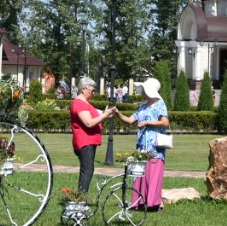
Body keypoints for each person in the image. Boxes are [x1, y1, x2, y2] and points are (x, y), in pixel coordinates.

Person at [116, 77, 169, 211]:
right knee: (140, 173)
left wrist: (147, 123)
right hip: (142, 146)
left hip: (154, 146)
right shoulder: (142, 107)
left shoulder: (160, 105)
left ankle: (154, 202)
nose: (142, 92)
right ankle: (139, 201)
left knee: (153, 174)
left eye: (144, 90)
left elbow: (165, 122)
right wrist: (117, 113)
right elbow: (129, 120)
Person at [70, 77, 117, 194]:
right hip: (84, 141)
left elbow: (93, 116)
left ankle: (81, 198)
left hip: (88, 141)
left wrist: (104, 113)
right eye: (92, 90)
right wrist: (105, 115)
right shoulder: (79, 103)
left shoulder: (84, 103)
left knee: (87, 169)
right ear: (83, 89)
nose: (94, 92)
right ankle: (81, 199)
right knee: (87, 170)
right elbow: (89, 122)